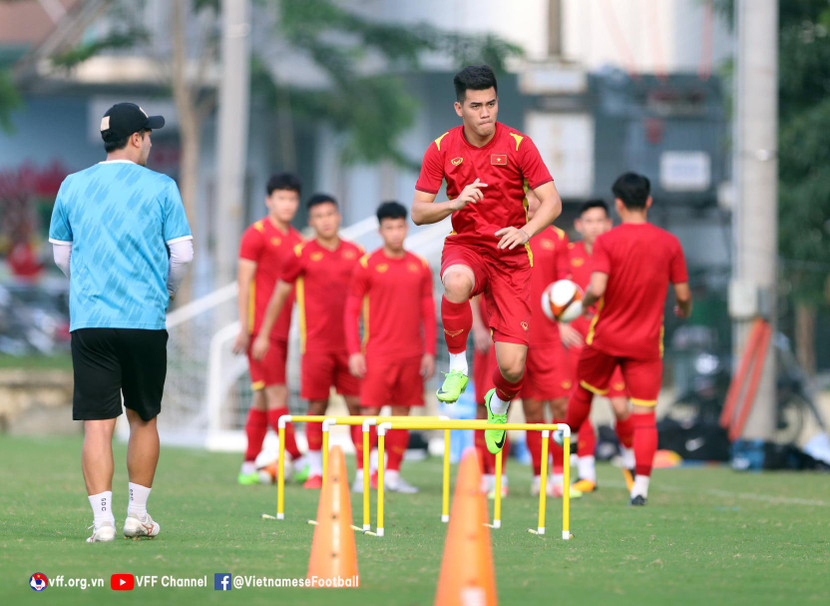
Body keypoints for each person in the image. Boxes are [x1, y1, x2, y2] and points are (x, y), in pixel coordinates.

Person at [49, 102, 193, 542]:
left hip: (91, 321)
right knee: (143, 419)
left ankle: (103, 522)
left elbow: (61, 253)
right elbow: (182, 255)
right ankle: (137, 515)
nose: (151, 141)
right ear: (135, 139)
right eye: (148, 135)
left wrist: (91, 285)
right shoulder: (162, 187)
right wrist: (164, 289)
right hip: (144, 321)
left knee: (98, 425)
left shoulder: (72, 185)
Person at [411, 65, 562, 454]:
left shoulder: (519, 145)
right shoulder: (442, 148)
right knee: (456, 282)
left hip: (511, 259)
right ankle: (458, 367)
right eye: (476, 105)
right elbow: (418, 212)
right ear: (459, 108)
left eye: (491, 103)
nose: (486, 113)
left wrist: (525, 231)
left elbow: (553, 203)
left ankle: (500, 403)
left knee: (512, 368)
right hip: (467, 247)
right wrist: (456, 202)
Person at [563, 173, 692, 506]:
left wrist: (583, 303)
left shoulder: (608, 241)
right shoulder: (671, 243)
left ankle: (572, 443)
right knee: (644, 415)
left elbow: (598, 288)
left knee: (584, 390)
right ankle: (640, 487)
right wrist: (682, 308)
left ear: (618, 205)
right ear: (648, 201)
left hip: (605, 338)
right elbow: (683, 295)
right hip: (647, 345)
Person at [254, 194, 363, 488]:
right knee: (317, 407)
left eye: (330, 214)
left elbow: (371, 299)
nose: (325, 220)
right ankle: (315, 471)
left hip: (351, 348)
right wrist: (263, 334)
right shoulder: (301, 253)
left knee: (358, 407)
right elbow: (279, 295)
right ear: (311, 221)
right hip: (315, 347)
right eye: (319, 216)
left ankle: (365, 474)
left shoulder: (357, 253)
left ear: (339, 216)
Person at [344, 201, 436, 493]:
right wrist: (354, 351)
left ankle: (392, 476)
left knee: (401, 415)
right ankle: (362, 474)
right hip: (377, 354)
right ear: (379, 230)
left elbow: (428, 312)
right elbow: (351, 311)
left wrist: (430, 352)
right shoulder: (367, 265)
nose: (395, 233)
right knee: (369, 413)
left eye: (399, 226)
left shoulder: (419, 266)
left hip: (411, 355)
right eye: (389, 228)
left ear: (406, 228)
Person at [233, 173, 307, 485]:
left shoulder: (298, 241)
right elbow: (244, 283)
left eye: (292, 199)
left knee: (262, 398)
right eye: (281, 198)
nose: (287, 204)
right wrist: (245, 329)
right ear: (269, 200)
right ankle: (301, 460)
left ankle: (249, 466)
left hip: (282, 331)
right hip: (260, 333)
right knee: (277, 393)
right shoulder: (256, 234)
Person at [564, 199, 636, 492]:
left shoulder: (619, 254)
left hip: (611, 344)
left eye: (600, 221)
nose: (595, 226)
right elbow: (554, 294)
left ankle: (631, 463)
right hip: (578, 344)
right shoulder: (568, 254)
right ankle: (586, 474)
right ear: (579, 226)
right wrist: (561, 325)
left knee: (621, 407)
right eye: (588, 221)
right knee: (581, 410)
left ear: (609, 224)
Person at [522, 192, 583, 498]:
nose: (531, 202)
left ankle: (560, 475)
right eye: (526, 196)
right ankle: (538, 476)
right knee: (532, 411)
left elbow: (565, 284)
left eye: (536, 196)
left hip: (549, 338)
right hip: (519, 336)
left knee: (560, 405)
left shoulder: (557, 237)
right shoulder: (508, 231)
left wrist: (564, 322)